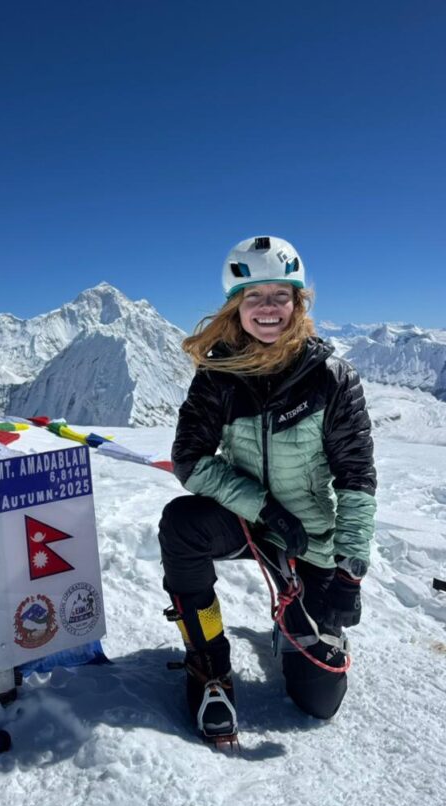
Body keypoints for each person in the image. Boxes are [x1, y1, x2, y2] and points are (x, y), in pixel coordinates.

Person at [159, 236, 376, 743]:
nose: (269, 308)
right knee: (182, 524)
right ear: (236, 307)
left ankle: (293, 619)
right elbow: (190, 462)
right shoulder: (218, 375)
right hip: (247, 521)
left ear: (299, 302)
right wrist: (264, 508)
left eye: (281, 295)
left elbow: (357, 478)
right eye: (254, 296)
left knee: (319, 701)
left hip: (309, 535)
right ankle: (208, 658)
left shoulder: (332, 378)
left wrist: (350, 571)